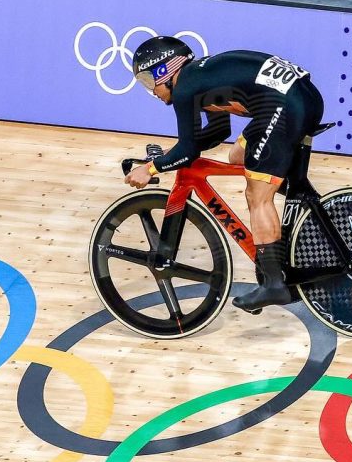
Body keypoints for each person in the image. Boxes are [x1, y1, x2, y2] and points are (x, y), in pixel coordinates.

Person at [126, 37, 325, 312]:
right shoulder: (201, 79)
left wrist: (150, 168)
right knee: (239, 156)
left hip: (284, 105)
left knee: (257, 195)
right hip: (302, 98)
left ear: (166, 70)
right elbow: (218, 132)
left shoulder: (185, 88)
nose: (152, 91)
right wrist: (169, 156)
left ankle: (274, 284)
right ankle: (302, 196)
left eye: (149, 81)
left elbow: (187, 151)